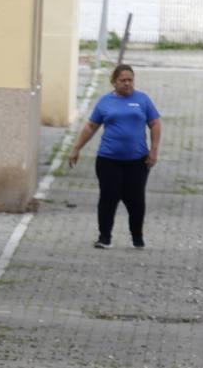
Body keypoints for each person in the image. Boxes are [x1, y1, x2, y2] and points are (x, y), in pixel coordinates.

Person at [67, 64, 162, 249]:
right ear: (114, 82)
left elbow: (155, 123)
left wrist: (154, 150)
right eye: (123, 80)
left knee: (135, 200)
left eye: (130, 80)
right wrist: (76, 148)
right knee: (108, 198)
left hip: (137, 161)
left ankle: (137, 237)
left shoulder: (142, 100)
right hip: (108, 160)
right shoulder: (105, 102)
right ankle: (104, 237)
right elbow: (91, 126)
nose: (127, 84)